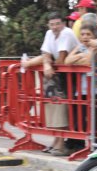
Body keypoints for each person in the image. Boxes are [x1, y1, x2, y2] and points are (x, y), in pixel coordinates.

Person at [21, 12, 79, 155]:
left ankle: (60, 143)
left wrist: (47, 63)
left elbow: (60, 59)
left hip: (70, 77)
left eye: (57, 24)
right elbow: (46, 54)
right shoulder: (49, 33)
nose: (55, 27)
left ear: (63, 24)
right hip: (56, 76)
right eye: (52, 24)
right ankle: (56, 142)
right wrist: (47, 64)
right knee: (52, 106)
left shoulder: (66, 33)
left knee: (61, 108)